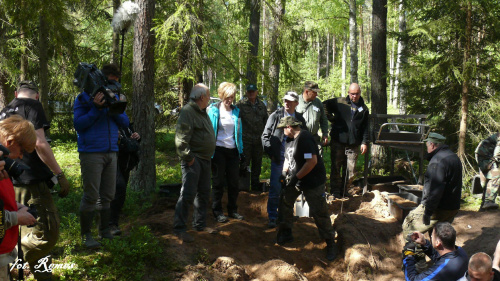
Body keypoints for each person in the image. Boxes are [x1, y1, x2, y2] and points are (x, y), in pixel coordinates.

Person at [0, 80, 70, 280]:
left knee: (20, 227)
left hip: (12, 182)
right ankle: (16, 260)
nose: (20, 156)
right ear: (37, 95)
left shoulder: (5, 111)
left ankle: (33, 271)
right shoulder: (33, 106)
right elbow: (39, 142)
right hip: (32, 180)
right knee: (47, 231)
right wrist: (59, 174)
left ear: (15, 93)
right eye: (20, 152)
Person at [74, 64, 130, 249]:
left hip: (111, 151)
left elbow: (124, 122)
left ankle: (104, 231)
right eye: (111, 81)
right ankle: (86, 236)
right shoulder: (82, 99)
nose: (114, 85)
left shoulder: (112, 97)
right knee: (91, 195)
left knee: (108, 194)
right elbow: (79, 124)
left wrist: (115, 106)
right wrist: (96, 109)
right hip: (91, 153)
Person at [275, 116, 337, 261]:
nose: (282, 131)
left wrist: (296, 177)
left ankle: (330, 242)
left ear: (289, 127)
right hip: (295, 179)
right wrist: (284, 173)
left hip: (312, 181)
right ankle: (286, 232)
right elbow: (287, 158)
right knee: (284, 202)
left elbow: (312, 162)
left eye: (283, 128)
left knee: (319, 211)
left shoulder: (305, 138)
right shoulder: (289, 139)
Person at [173, 83, 217, 243]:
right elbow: (181, 140)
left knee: (204, 192)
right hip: (194, 159)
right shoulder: (188, 111)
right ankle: (179, 228)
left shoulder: (202, 112)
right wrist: (189, 158)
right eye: (208, 95)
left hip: (205, 159)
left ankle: (199, 224)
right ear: (201, 97)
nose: (209, 98)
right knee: (188, 194)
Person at [402, 132, 462, 237]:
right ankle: (442, 253)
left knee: (409, 226)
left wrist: (428, 212)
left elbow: (435, 190)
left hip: (439, 208)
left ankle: (414, 253)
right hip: (453, 207)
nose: (427, 149)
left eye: (427, 146)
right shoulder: (454, 157)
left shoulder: (437, 161)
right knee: (439, 235)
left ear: (432, 145)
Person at [0, 115, 37, 281]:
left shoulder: (3, 166)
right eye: (21, 151)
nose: (21, 157)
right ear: (10, 142)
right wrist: (16, 217)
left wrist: (15, 206)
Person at [261, 91, 306, 228]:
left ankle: (286, 216)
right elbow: (265, 136)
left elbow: (304, 137)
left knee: (291, 188)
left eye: (290, 101)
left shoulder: (300, 118)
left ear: (296, 103)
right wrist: (272, 152)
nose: (287, 103)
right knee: (275, 187)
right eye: (285, 100)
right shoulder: (275, 116)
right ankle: (272, 217)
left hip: (294, 160)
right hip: (279, 159)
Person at [323, 83, 369, 198]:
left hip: (354, 143)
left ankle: (345, 190)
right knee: (336, 167)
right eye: (352, 94)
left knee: (351, 170)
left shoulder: (364, 108)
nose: (354, 96)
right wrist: (331, 119)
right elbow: (323, 105)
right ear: (348, 93)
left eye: (357, 94)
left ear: (360, 93)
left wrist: (364, 142)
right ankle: (335, 191)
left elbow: (366, 127)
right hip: (338, 140)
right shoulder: (340, 102)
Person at [207, 82, 244, 223]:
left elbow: (239, 133)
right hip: (218, 150)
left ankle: (233, 210)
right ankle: (217, 211)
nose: (230, 100)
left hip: (233, 151)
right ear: (222, 95)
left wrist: (241, 151)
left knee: (234, 183)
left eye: (232, 97)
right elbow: (209, 131)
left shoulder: (236, 111)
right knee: (218, 182)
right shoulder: (213, 110)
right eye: (227, 97)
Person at [108, 95, 140, 236]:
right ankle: (110, 224)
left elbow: (130, 134)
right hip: (111, 157)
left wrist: (135, 136)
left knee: (121, 191)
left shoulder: (124, 119)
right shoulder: (108, 116)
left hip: (125, 161)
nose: (122, 105)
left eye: (124, 103)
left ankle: (114, 220)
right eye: (119, 103)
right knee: (118, 186)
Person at [402, 222, 468, 281]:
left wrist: (408, 255)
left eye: (432, 236)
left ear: (437, 243)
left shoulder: (442, 268)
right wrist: (424, 243)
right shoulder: (460, 251)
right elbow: (440, 259)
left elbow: (412, 280)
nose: (431, 237)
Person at [236, 84, 268, 191]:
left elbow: (266, 122)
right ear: (246, 92)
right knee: (243, 164)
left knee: (257, 165)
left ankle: (255, 189)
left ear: (256, 92)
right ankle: (243, 189)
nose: (251, 93)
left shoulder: (262, 106)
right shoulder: (240, 105)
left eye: (253, 91)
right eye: (249, 91)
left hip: (258, 141)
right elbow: (236, 121)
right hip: (245, 141)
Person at [296, 81, 329, 149]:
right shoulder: (296, 101)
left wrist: (325, 134)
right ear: (307, 91)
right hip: (299, 139)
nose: (316, 94)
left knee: (316, 158)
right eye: (314, 92)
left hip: (314, 139)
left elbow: (324, 120)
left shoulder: (318, 102)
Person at [475, 133, 500, 210]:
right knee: (496, 174)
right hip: (485, 156)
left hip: (486, 155)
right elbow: (498, 154)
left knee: (490, 177)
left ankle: (484, 205)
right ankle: (488, 201)